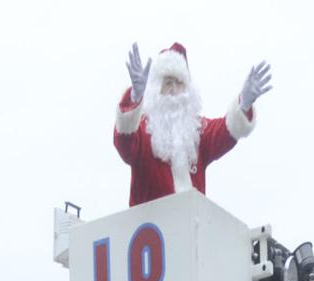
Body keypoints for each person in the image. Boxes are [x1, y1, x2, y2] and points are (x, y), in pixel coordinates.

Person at [114, 42, 272, 207]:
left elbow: (225, 131)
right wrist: (134, 96)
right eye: (168, 83)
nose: (174, 89)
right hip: (150, 230)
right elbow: (124, 143)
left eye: (179, 82)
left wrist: (243, 105)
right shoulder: (144, 129)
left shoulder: (197, 132)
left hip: (191, 228)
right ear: (156, 89)